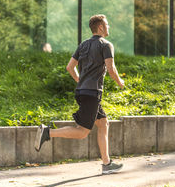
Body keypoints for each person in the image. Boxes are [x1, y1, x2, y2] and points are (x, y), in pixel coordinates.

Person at [34, 14, 125, 175]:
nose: (109, 27)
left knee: (103, 123)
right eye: (107, 24)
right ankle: (48, 132)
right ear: (100, 27)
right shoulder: (106, 45)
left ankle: (107, 164)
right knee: (82, 132)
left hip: (83, 91)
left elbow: (70, 67)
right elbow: (111, 68)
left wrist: (80, 81)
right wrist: (120, 83)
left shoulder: (83, 45)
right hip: (92, 93)